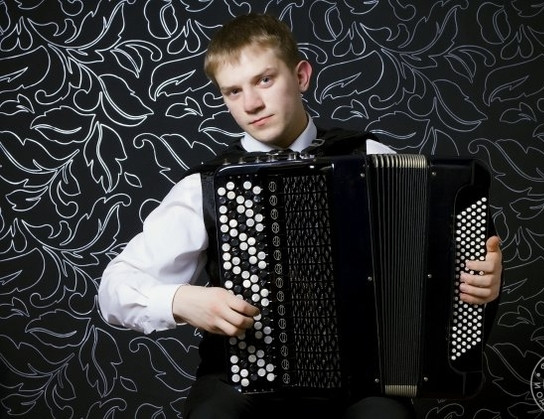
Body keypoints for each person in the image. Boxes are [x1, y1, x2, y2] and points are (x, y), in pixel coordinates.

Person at [98, 13, 503, 419]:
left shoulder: (372, 158)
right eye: (233, 91)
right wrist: (182, 299)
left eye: (264, 80)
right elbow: (114, 288)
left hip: (363, 382)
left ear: (302, 76)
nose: (251, 104)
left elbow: (437, 272)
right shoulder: (204, 185)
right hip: (241, 381)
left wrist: (479, 284)